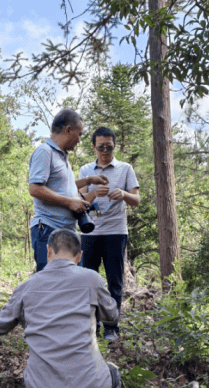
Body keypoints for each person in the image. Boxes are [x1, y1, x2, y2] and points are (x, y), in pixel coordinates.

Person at [0, 229, 124, 388]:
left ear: (48, 251)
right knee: (113, 373)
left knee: (33, 370)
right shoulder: (92, 279)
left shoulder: (27, 286)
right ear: (79, 256)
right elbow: (112, 317)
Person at [78, 127, 141, 342]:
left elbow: (136, 200)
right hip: (89, 233)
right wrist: (94, 192)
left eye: (109, 147)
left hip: (116, 232)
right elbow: (79, 203)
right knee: (89, 279)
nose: (105, 151)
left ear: (115, 146)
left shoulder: (125, 169)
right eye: (100, 147)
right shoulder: (86, 170)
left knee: (115, 280)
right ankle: (91, 325)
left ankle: (111, 327)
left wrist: (123, 194)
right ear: (94, 147)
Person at [28, 109, 109, 272]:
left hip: (67, 231)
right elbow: (35, 189)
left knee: (71, 282)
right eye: (79, 135)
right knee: (50, 284)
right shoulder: (45, 152)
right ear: (68, 130)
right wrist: (70, 202)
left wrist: (88, 180)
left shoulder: (61, 156)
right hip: (49, 229)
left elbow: (61, 185)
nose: (79, 140)